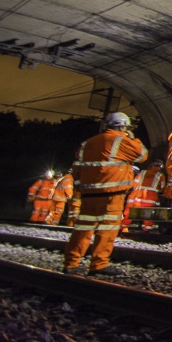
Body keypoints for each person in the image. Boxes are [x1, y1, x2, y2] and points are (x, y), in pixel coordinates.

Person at [63, 112, 147, 276]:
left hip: (88, 195)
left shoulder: (86, 143)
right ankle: (99, 264)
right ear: (123, 126)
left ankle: (71, 263)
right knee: (107, 230)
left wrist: (81, 188)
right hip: (112, 194)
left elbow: (77, 169)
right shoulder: (121, 140)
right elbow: (143, 155)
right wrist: (132, 138)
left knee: (82, 229)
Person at [124, 160, 165, 230]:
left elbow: (134, 183)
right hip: (151, 199)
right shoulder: (161, 175)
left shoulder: (142, 172)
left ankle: (122, 227)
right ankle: (147, 229)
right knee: (148, 214)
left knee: (131, 213)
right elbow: (162, 187)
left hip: (138, 197)